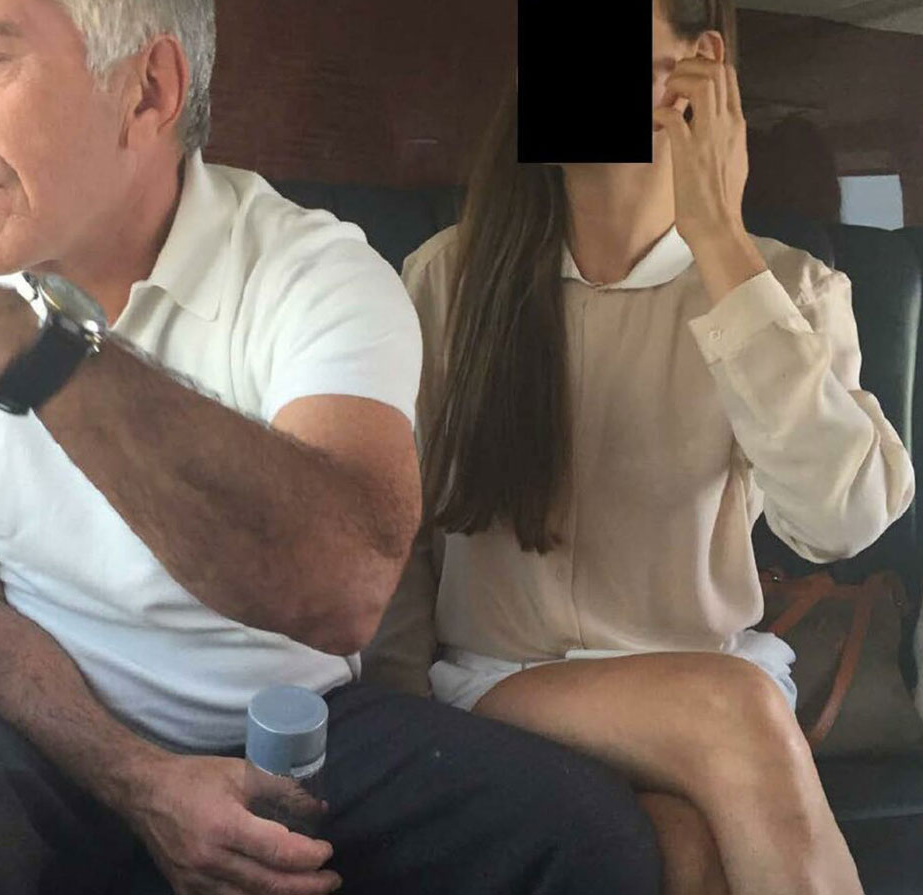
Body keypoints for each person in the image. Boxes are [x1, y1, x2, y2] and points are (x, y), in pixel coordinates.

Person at [0, 1, 664, 893]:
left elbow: (343, 590)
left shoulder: (315, 274)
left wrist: (32, 348)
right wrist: (140, 777)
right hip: (36, 730)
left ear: (146, 91)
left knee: (585, 840)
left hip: (299, 731)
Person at [364, 1, 912, 894]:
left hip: (702, 682)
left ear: (699, 67)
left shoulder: (785, 288)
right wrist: (408, 734)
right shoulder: (446, 281)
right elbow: (393, 534)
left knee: (687, 850)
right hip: (501, 690)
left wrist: (719, 239)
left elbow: (842, 520)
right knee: (732, 710)